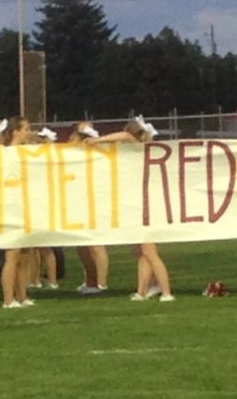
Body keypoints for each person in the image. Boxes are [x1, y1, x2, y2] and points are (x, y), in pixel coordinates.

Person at [87, 117, 174, 302]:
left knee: (150, 252)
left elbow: (125, 135)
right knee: (140, 252)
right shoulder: (133, 154)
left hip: (145, 207)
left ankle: (166, 291)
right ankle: (142, 290)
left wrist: (98, 140)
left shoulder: (139, 149)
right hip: (136, 206)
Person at [0, 117, 37, 308]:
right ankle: (8, 299)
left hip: (26, 205)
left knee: (25, 254)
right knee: (12, 254)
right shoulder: (6, 154)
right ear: (16, 132)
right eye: (26, 129)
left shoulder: (25, 152)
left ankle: (22, 295)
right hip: (11, 207)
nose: (29, 132)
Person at [68, 122, 109, 295]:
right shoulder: (71, 152)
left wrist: (94, 140)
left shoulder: (96, 152)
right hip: (76, 200)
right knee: (80, 243)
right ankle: (90, 280)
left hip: (93, 200)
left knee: (95, 244)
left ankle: (101, 283)